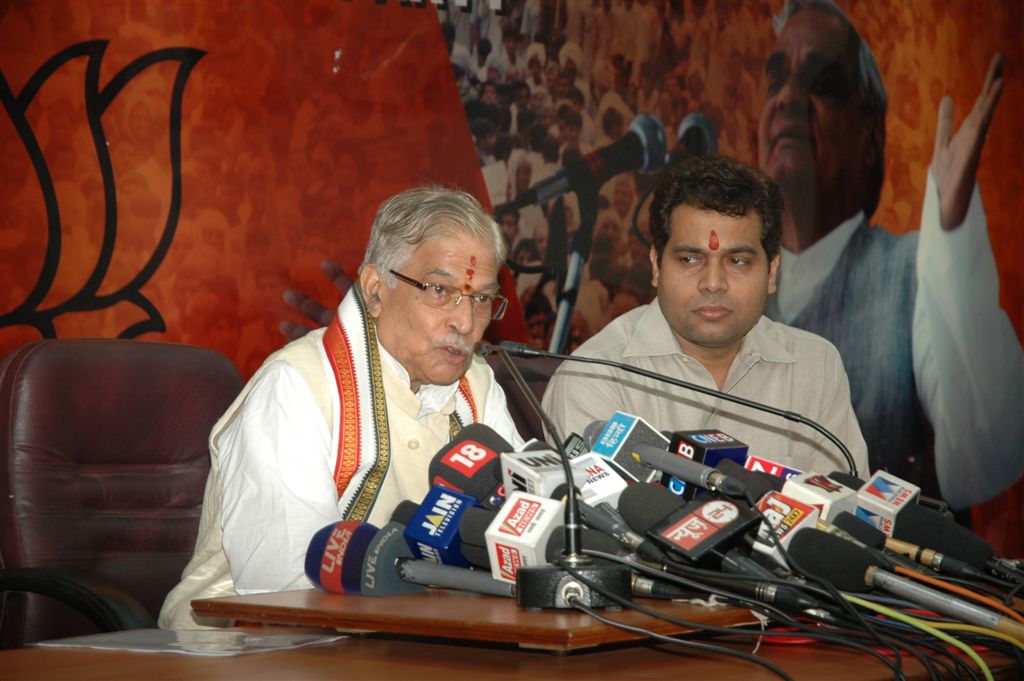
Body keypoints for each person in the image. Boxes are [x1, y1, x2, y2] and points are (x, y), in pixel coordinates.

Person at [160, 186, 524, 630]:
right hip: (251, 650)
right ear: (375, 290)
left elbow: (521, 539)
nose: (465, 322)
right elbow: (288, 586)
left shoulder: (479, 386)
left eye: (481, 298)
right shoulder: (296, 385)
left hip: (424, 645)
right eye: (439, 290)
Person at [757, 0, 1022, 509]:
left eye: (821, 82)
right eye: (776, 81)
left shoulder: (917, 273)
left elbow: (991, 455)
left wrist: (952, 230)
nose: (788, 98)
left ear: (872, 140)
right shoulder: (731, 294)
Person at [541, 155, 868, 476]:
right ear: (656, 266)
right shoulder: (594, 379)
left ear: (772, 272)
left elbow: (840, 516)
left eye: (737, 261)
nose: (713, 283)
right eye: (689, 259)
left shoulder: (815, 366)